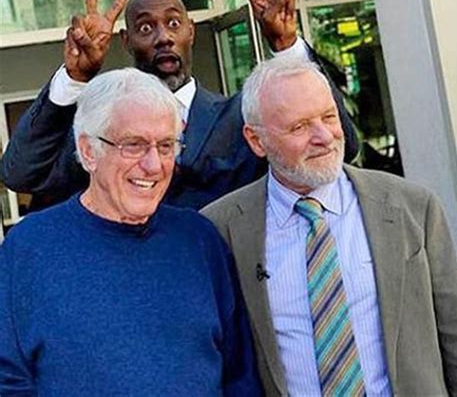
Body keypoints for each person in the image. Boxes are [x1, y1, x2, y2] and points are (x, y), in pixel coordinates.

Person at [0, 0, 358, 212]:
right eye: (145, 27)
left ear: (191, 32)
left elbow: (343, 149)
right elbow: (19, 174)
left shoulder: (240, 118)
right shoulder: (100, 128)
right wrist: (74, 78)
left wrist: (287, 45)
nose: (163, 36)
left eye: (173, 23)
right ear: (125, 42)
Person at [201, 54, 457, 396]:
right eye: (299, 126)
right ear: (256, 140)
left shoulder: (412, 208)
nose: (324, 137)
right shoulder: (221, 228)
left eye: (329, 117)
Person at [0, 68, 262, 396]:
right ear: (88, 151)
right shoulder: (28, 248)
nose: (153, 165)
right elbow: (7, 378)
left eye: (166, 146)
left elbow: (240, 376)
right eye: (133, 145)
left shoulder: (200, 240)